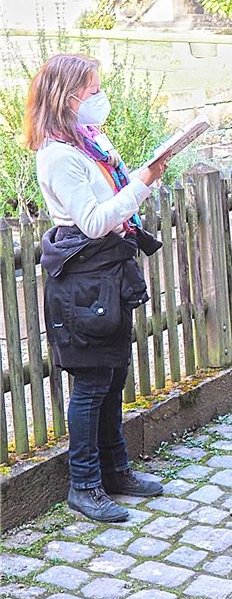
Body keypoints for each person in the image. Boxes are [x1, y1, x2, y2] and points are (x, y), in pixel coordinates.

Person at [26, 53, 169, 523]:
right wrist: (142, 184)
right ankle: (84, 486)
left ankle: (116, 470)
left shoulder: (90, 142)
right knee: (90, 383)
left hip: (108, 267)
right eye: (93, 91)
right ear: (67, 97)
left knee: (112, 375)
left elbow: (110, 201)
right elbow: (91, 221)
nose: (100, 98)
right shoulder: (58, 156)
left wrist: (140, 180)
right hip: (83, 277)